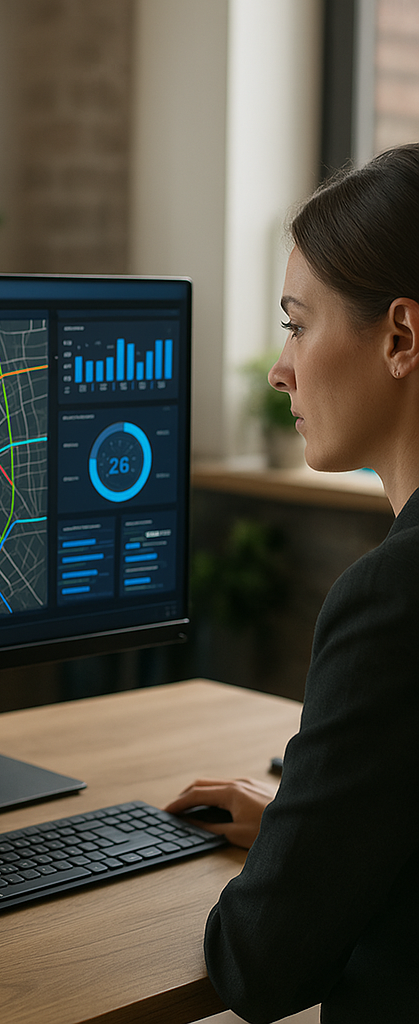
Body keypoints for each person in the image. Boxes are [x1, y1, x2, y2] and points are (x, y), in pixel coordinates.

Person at [164, 144, 419, 1022]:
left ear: (400, 338)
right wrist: (302, 833)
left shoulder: (394, 600)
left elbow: (258, 968)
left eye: (297, 322)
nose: (280, 369)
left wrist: (285, 866)